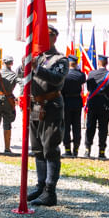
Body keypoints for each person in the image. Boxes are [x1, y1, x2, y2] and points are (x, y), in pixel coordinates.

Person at [26, 24, 69, 206]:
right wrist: (25, 66)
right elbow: (23, 76)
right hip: (35, 105)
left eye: (48, 35)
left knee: (50, 148)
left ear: (54, 37)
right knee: (37, 148)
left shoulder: (60, 59)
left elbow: (56, 78)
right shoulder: (37, 57)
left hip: (51, 105)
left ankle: (50, 192)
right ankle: (41, 186)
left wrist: (36, 68)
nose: (43, 38)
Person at [85, 55, 109, 158]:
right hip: (104, 105)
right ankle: (101, 151)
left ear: (98, 62)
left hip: (93, 104)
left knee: (90, 127)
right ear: (106, 63)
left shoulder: (91, 73)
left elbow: (89, 88)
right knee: (103, 129)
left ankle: (87, 149)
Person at [0, 56, 19, 153]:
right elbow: (22, 83)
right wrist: (20, 95)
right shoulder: (14, 75)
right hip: (8, 100)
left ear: (3, 63)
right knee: (7, 124)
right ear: (11, 63)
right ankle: (7, 148)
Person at [61, 54, 86, 157]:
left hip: (66, 102)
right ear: (76, 64)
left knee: (66, 126)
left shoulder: (64, 74)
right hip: (76, 102)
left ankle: (67, 149)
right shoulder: (80, 75)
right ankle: (76, 149)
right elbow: (83, 80)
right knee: (76, 126)